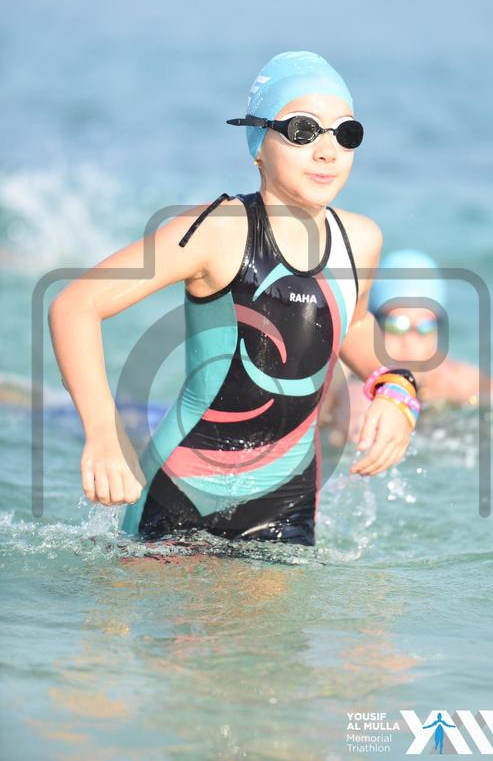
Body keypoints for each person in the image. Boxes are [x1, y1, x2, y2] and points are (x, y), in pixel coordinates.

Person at [48, 50, 421, 547]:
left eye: (345, 133)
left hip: (287, 504)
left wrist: (395, 386)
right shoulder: (217, 232)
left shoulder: (360, 240)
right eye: (303, 131)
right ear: (258, 145)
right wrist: (103, 435)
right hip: (182, 494)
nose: (328, 151)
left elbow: (351, 324)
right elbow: (75, 305)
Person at [319, 249, 493, 448]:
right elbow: (354, 403)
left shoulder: (448, 378)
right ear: (370, 326)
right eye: (396, 326)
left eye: (426, 327)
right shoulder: (351, 384)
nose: (410, 341)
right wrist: (358, 419)